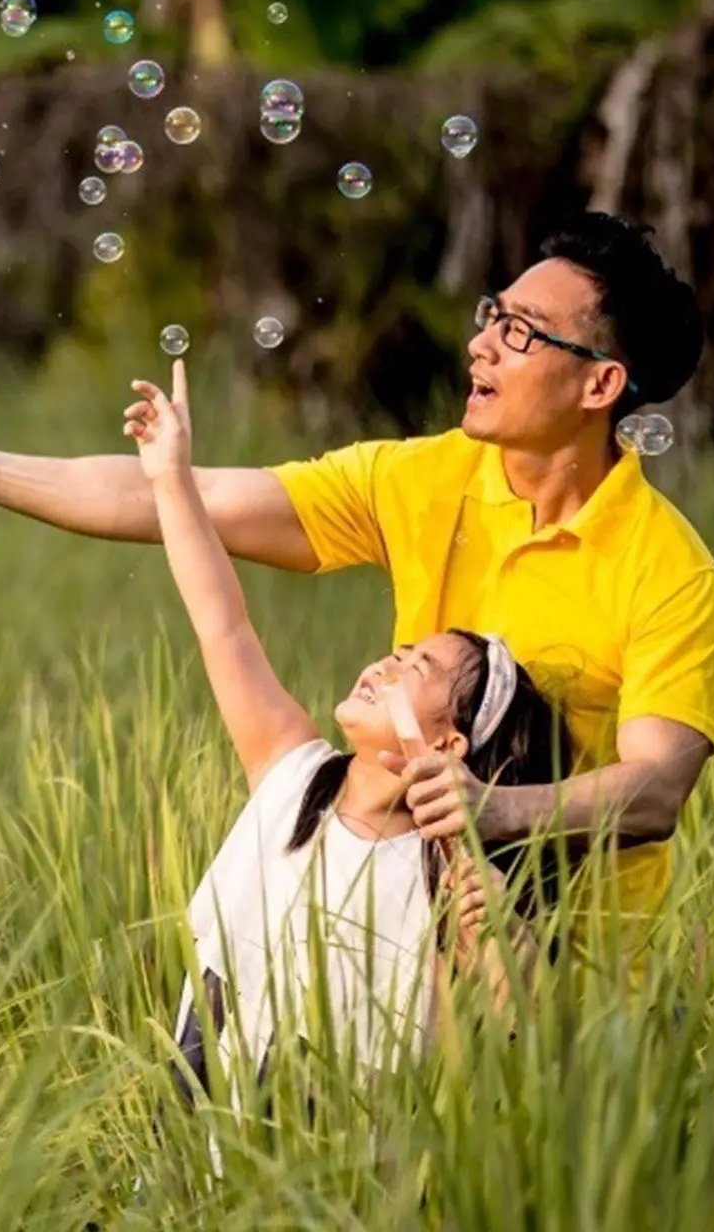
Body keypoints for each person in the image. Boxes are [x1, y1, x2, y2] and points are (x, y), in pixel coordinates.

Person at [0, 213, 714, 951]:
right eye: (490, 316)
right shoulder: (425, 478)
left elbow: (657, 790)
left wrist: (493, 810)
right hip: (405, 947)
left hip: (572, 983)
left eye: (520, 332)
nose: (480, 345)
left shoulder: (670, 574)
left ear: (601, 384)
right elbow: (190, 499)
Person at [122, 357, 567, 1100]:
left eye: (417, 666)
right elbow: (222, 623)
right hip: (198, 1128)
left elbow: (524, 1025)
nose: (385, 664)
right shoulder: (292, 773)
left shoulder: (449, 878)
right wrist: (172, 476)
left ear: (452, 745)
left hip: (338, 1170)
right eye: (397, 651)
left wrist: (502, 929)